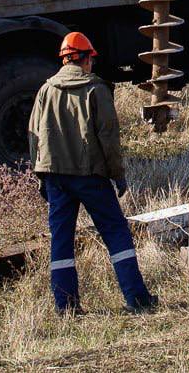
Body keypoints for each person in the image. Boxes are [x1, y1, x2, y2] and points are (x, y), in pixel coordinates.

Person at [28, 31, 158, 314]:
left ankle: (66, 307)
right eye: (91, 60)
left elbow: (34, 136)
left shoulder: (45, 90)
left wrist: (40, 175)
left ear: (64, 60)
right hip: (90, 175)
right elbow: (108, 138)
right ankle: (136, 299)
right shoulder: (96, 89)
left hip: (55, 177)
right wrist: (117, 174)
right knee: (116, 232)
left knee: (61, 240)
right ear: (85, 60)